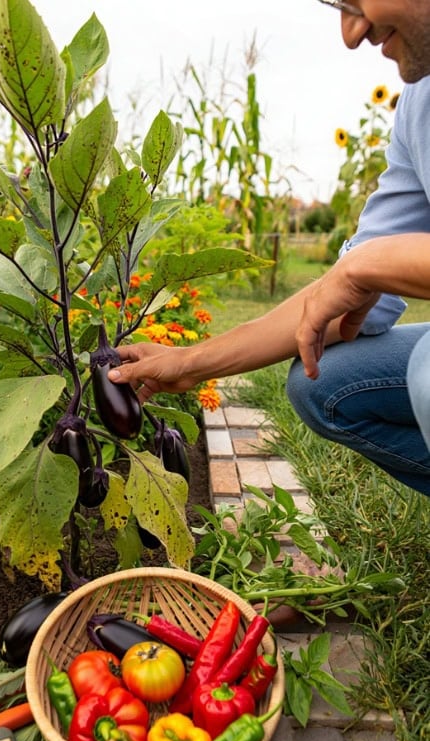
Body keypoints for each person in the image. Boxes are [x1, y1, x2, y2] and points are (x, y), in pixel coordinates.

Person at [108, 0, 430, 496]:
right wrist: (189, 362)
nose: (351, 32)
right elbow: (350, 305)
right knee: (323, 381)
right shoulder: (418, 103)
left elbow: (367, 269)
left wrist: (368, 267)